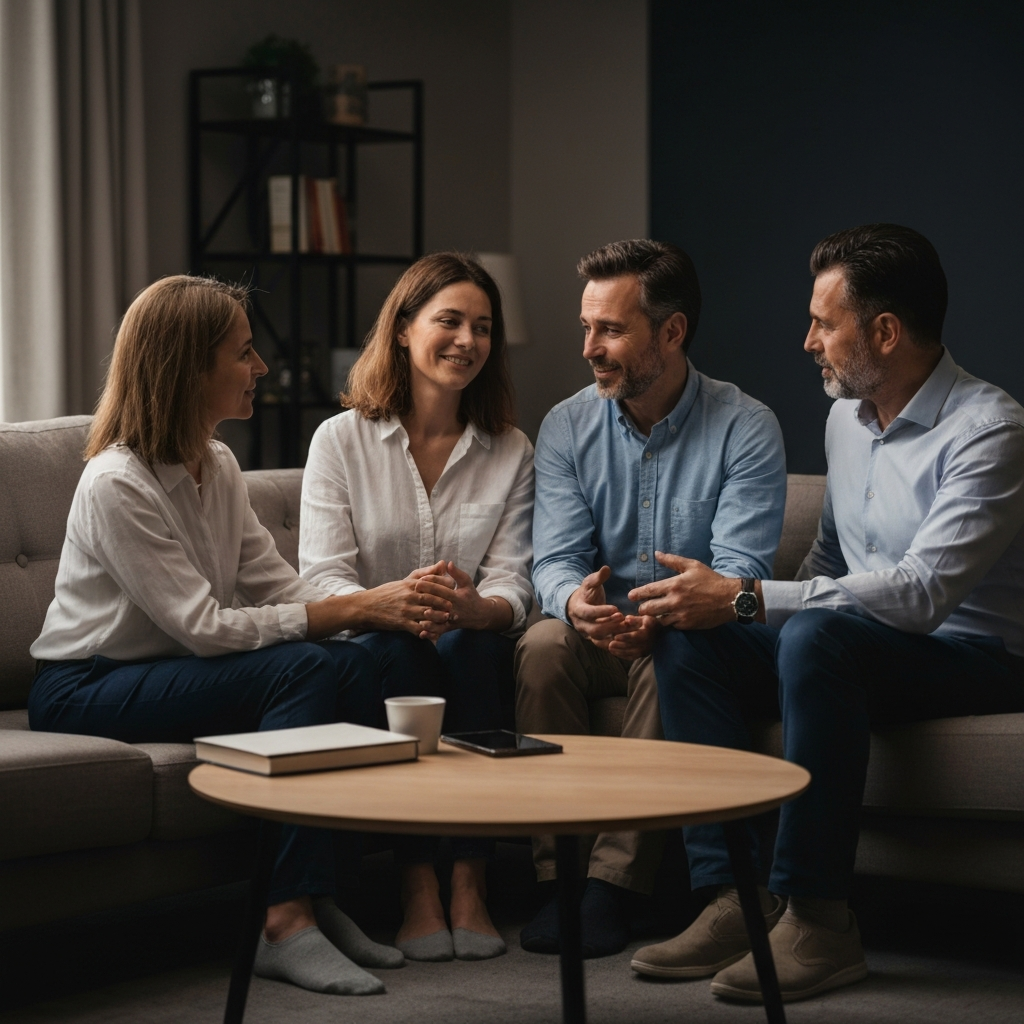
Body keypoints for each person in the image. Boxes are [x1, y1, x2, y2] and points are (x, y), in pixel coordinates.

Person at [638, 224, 1024, 1003]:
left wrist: (747, 596)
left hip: (974, 658)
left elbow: (920, 595)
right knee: (695, 640)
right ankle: (734, 898)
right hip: (856, 645)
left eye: (824, 322)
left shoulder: (991, 432)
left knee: (813, 635)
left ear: (884, 332)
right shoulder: (845, 419)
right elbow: (830, 562)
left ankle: (820, 921)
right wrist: (722, 611)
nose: (807, 340)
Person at [28, 275, 415, 997]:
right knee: (303, 666)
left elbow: (274, 584)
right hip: (85, 685)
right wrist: (339, 615)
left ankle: (320, 892)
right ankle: (282, 920)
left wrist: (368, 612)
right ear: (186, 368)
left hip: (163, 669)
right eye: (243, 353)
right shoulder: (117, 482)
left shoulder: (219, 463)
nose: (260, 368)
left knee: (360, 663)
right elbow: (203, 628)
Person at [516, 239, 787, 958]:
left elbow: (737, 576)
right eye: (586, 327)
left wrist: (656, 616)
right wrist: (575, 604)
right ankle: (555, 877)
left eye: (609, 330)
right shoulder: (567, 425)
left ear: (671, 332)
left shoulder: (746, 427)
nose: (588, 348)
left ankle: (614, 885)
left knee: (678, 650)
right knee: (541, 645)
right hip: (593, 632)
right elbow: (556, 558)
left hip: (676, 631)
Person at [298, 252, 534, 963]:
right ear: (403, 329)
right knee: (405, 651)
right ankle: (414, 884)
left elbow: (515, 582)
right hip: (376, 646)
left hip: (471, 642)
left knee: (468, 648)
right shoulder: (340, 440)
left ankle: (469, 880)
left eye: (483, 327)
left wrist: (477, 609)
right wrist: (392, 605)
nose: (468, 340)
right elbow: (321, 581)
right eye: (449, 321)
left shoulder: (511, 449)